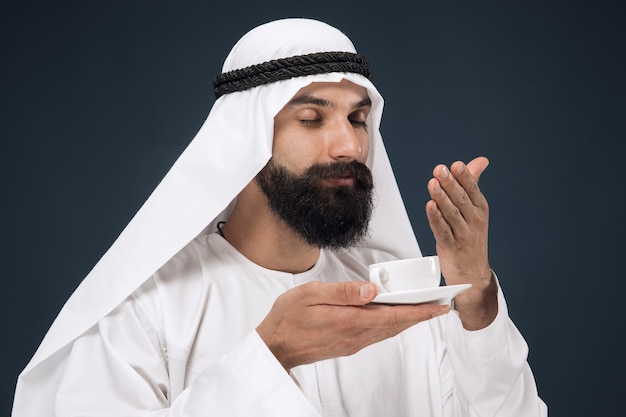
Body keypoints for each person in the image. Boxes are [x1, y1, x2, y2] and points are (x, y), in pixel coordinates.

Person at [12, 18, 547, 416]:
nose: (348, 145)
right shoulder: (147, 313)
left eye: (358, 119)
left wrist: (475, 296)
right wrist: (269, 353)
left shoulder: (400, 302)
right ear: (243, 139)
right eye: (311, 118)